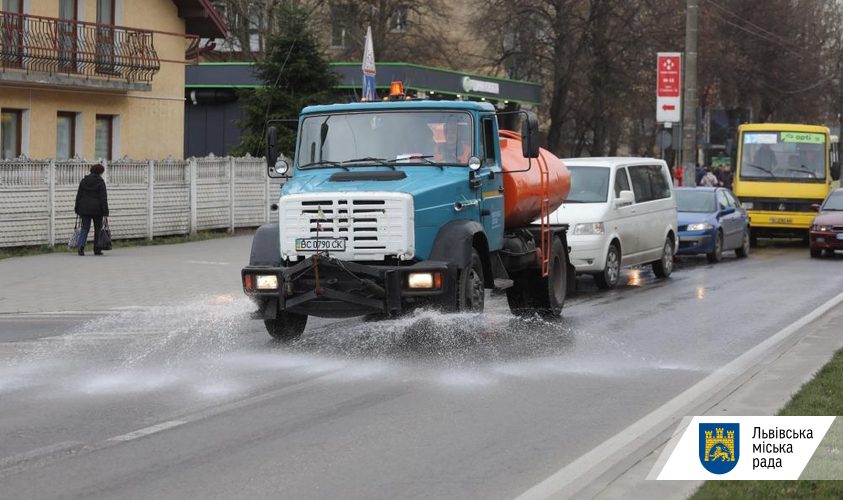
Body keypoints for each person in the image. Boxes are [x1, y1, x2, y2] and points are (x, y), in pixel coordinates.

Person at [74, 163, 109, 256]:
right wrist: (105, 211)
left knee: (85, 228)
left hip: (84, 208)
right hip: (97, 210)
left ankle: (81, 247)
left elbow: (79, 195)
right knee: (98, 229)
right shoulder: (101, 182)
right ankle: (97, 249)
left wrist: (77, 207)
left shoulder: (83, 181)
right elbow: (103, 198)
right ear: (100, 172)